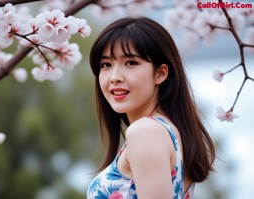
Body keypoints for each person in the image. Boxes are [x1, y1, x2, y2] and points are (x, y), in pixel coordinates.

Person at [86, 16, 215, 199]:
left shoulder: (145, 132)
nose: (114, 77)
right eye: (106, 65)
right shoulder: (170, 132)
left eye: (130, 63)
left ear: (160, 73)